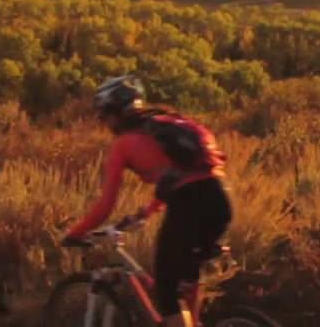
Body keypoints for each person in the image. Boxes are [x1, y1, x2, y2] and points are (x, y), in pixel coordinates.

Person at [63, 75, 231, 327]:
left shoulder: (123, 144)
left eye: (103, 115)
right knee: (185, 277)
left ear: (114, 114)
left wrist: (75, 233)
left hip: (188, 206)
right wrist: (146, 212)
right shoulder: (167, 124)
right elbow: (183, 176)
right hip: (220, 200)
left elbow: (105, 205)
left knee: (164, 286)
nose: (103, 122)